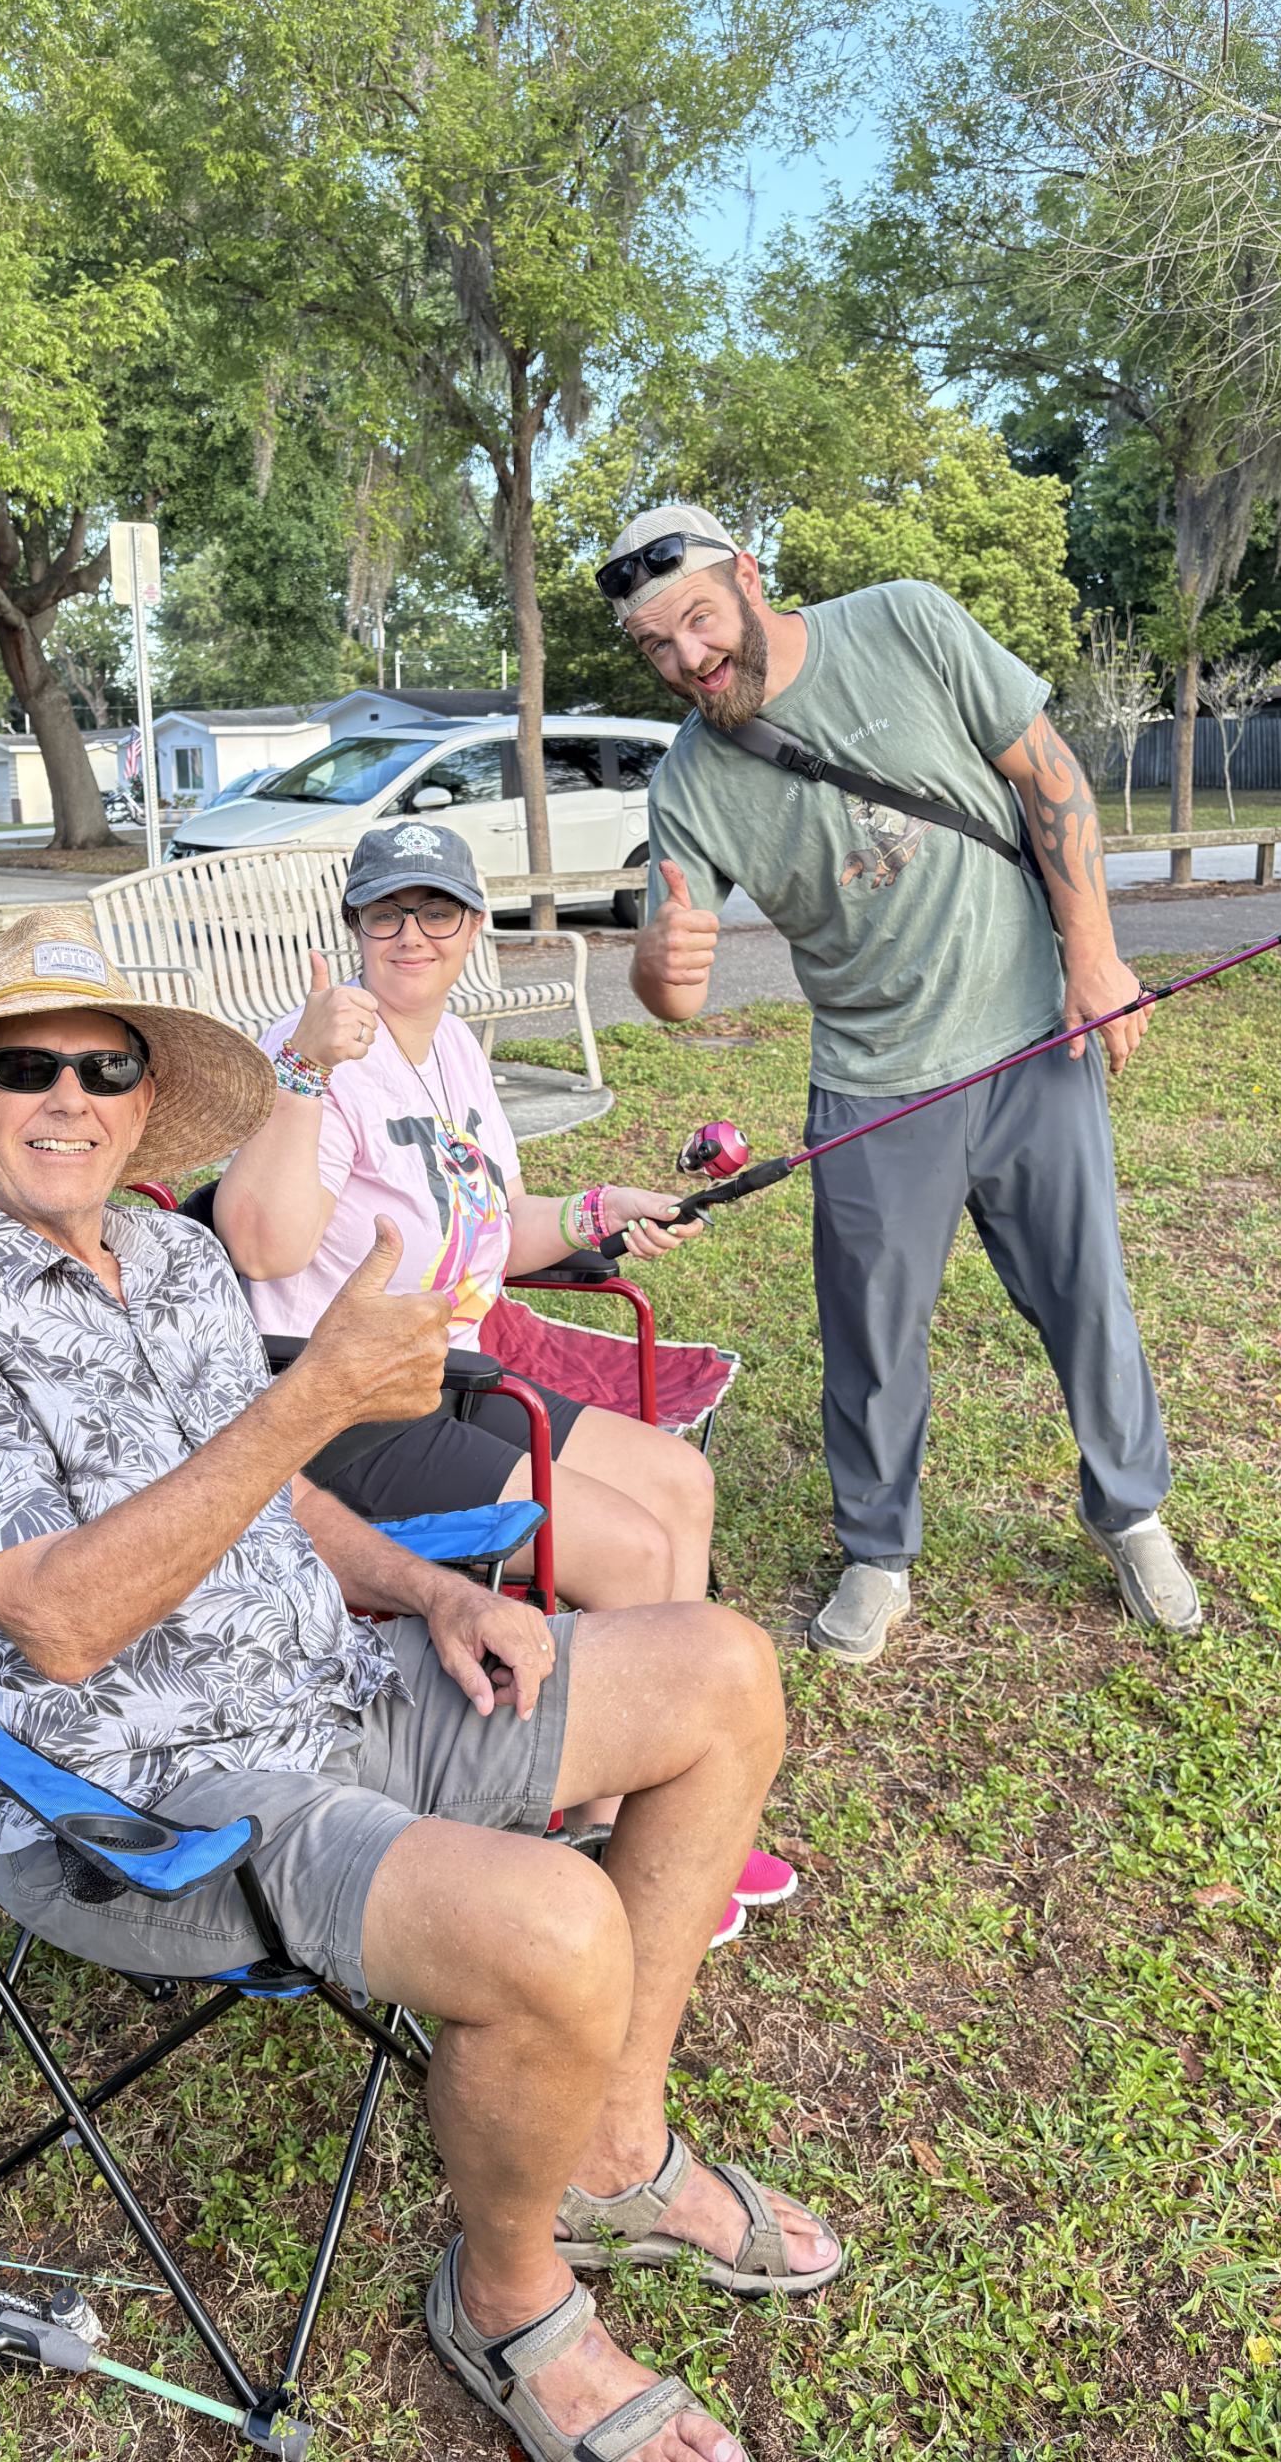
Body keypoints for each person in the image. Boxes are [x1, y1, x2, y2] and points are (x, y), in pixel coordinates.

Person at [0, 906, 842, 2462]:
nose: (70, 1098)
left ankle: (612, 2148)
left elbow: (284, 1500)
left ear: (148, 1104)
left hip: (337, 1684)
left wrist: (430, 1590)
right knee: (551, 1921)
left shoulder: (168, 1254)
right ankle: (509, 2303)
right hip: (147, 1803)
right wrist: (313, 1403)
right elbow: (59, 1623)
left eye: (107, 1067)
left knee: (721, 1669)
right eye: (25, 1065)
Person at [605, 507, 1200, 1662]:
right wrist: (656, 964)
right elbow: (672, 986)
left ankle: (1132, 1514)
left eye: (696, 619)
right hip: (874, 1085)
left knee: (1086, 1298)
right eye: (654, 646)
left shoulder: (907, 622)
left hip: (1032, 1037)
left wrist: (1093, 952)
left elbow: (1050, 773)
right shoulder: (688, 783)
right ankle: (878, 1554)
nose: (686, 658)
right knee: (871, 1337)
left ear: (748, 578)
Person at [213, 821, 799, 1941]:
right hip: (334, 1403)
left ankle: (627, 1814)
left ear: (473, 927)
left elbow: (491, 1227)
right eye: (385, 911)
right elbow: (259, 1241)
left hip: (449, 1371)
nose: (411, 934)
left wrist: (592, 1214)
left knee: (676, 1483)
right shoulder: (310, 1053)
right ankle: (620, 1855)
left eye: (437, 910)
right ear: (353, 926)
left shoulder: (460, 1054)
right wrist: (299, 1066)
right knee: (625, 1550)